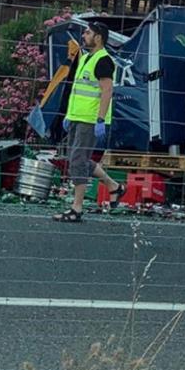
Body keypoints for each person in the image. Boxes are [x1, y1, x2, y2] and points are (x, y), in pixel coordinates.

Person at [53, 21, 125, 222]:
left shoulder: (103, 60)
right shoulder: (86, 58)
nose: (84, 35)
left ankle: (77, 208)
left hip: (90, 120)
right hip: (77, 117)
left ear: (98, 37)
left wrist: (100, 119)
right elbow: (78, 90)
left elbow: (107, 90)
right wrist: (69, 115)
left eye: (87, 32)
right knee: (78, 159)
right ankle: (114, 186)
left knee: (78, 160)